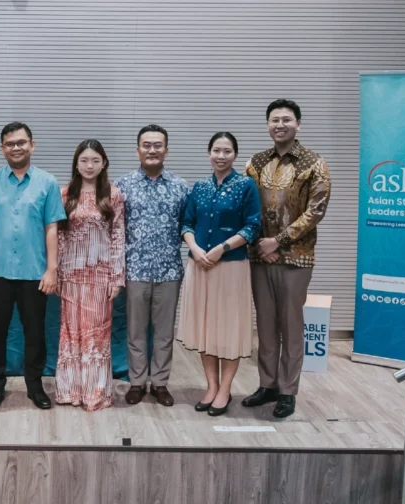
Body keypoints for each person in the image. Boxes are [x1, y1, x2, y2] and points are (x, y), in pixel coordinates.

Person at [241, 99, 331, 419]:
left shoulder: (313, 162)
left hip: (296, 257)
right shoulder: (255, 162)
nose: (280, 125)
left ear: (298, 124)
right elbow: (246, 205)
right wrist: (258, 242)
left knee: (291, 325)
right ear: (267, 125)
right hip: (259, 256)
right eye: (275, 120)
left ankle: (289, 390)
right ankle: (268, 384)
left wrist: (278, 240)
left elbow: (315, 211)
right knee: (265, 324)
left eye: (287, 120)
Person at [0, 121, 67, 411]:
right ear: (2, 149)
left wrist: (52, 269)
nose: (16, 147)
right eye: (10, 144)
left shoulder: (47, 183)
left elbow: (52, 228)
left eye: (21, 142)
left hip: (34, 273)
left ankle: (35, 386)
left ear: (32, 145)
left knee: (35, 332)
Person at [176, 132, 260, 417]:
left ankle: (225, 389)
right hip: (199, 265)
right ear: (208, 153)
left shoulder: (246, 186)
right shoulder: (199, 187)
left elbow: (252, 227)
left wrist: (223, 248)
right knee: (206, 327)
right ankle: (210, 386)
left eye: (227, 151)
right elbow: (186, 223)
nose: (221, 156)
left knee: (228, 328)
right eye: (216, 150)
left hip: (231, 267)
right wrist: (195, 249)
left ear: (235, 154)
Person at [115, 124, 190, 407]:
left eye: (158, 145)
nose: (152, 150)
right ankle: (136, 382)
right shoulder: (123, 186)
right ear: (138, 150)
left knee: (163, 332)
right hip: (134, 270)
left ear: (166, 151)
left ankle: (159, 383)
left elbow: (188, 226)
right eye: (146, 145)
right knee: (135, 331)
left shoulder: (181, 187)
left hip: (169, 270)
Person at [55, 140, 125, 412]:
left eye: (95, 160)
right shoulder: (64, 195)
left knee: (96, 334)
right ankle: (71, 390)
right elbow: (60, 236)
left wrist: (117, 277)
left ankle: (95, 392)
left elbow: (118, 236)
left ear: (104, 163)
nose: (89, 165)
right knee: (71, 333)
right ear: (76, 163)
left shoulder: (114, 195)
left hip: (100, 275)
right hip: (70, 274)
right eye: (84, 160)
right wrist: (57, 272)